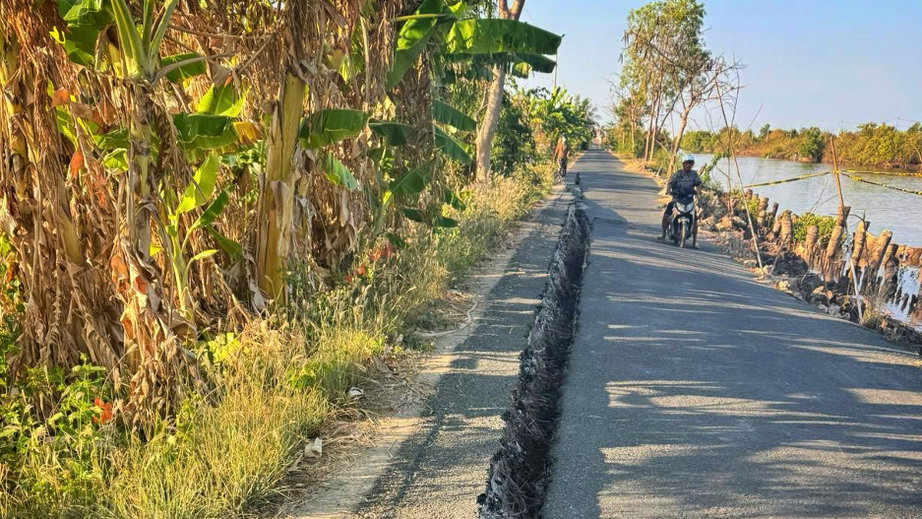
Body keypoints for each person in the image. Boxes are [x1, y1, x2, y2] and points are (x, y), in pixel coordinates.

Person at [659, 154, 702, 247]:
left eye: (690, 163)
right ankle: (663, 234)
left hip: (689, 199)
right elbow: (670, 183)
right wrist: (668, 190)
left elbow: (698, 184)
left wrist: (698, 191)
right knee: (666, 214)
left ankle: (694, 241)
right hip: (677, 198)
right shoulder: (678, 173)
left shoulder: (694, 174)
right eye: (687, 163)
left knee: (694, 219)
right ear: (683, 164)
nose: (688, 165)